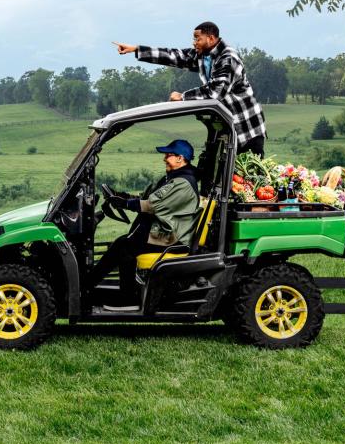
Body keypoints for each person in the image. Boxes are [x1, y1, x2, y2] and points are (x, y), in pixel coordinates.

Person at [112, 21, 267, 158]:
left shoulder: (228, 58)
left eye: (197, 38)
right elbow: (174, 56)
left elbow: (215, 92)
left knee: (245, 179)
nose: (194, 43)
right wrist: (136, 49)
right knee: (214, 172)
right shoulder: (203, 55)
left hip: (246, 128)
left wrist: (183, 97)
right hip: (225, 126)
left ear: (211, 38)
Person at [89, 139, 200, 311]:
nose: (164, 158)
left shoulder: (183, 184)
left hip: (171, 239)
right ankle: (91, 285)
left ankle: (125, 297)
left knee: (124, 247)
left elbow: (151, 205)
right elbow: (149, 198)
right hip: (165, 233)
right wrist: (123, 196)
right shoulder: (173, 178)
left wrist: (125, 203)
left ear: (180, 158)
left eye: (168, 155)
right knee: (122, 244)